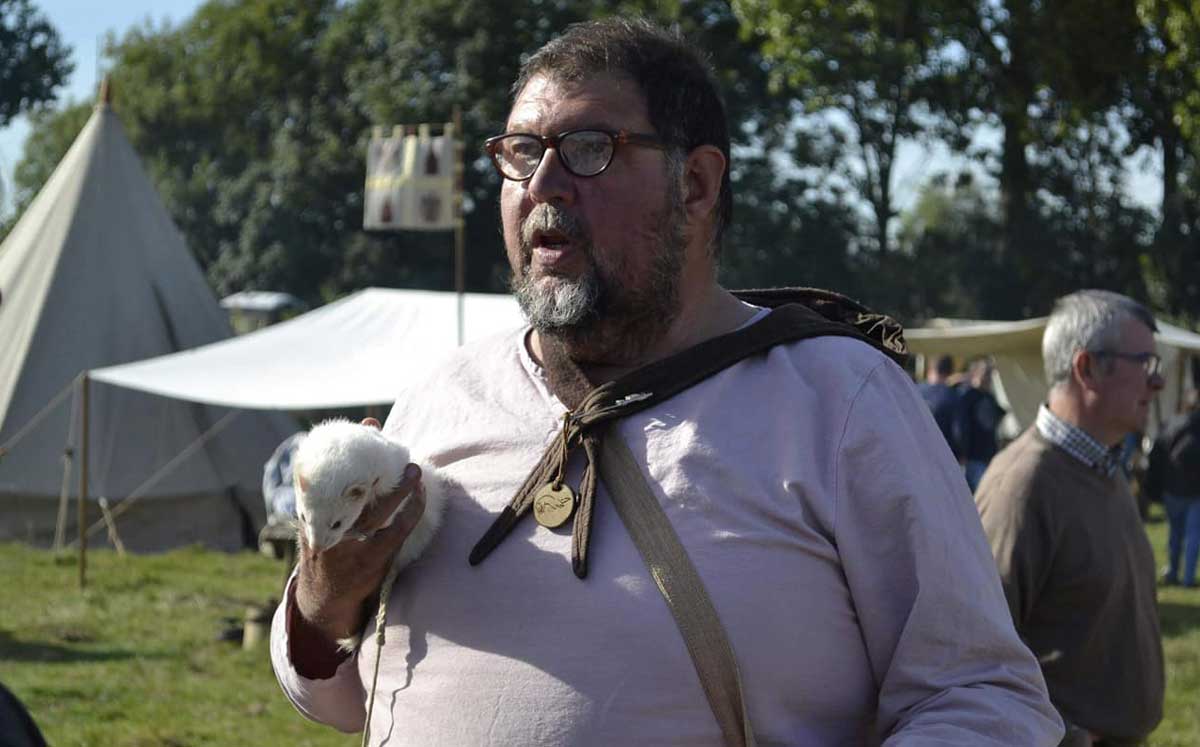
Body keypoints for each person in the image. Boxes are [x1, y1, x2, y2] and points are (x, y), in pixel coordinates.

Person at [270, 18, 1062, 745]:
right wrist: (320, 601)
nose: (543, 183)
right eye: (521, 151)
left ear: (696, 184)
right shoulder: (441, 394)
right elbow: (348, 698)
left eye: (588, 148)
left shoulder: (839, 398)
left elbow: (981, 697)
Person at [974, 289, 1165, 746]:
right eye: (1146, 364)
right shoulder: (1021, 488)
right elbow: (975, 656)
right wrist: (1067, 736)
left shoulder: (1103, 465)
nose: (1158, 382)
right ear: (1087, 368)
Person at [1145, 386, 1200, 587]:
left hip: (1173, 488)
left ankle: (1173, 572)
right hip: (1195, 491)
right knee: (1194, 535)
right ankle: (1188, 578)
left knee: (1175, 533)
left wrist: (1155, 487)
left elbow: (1157, 456)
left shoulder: (1171, 424)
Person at [956, 357, 1006, 492]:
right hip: (974, 458)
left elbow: (999, 413)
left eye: (990, 373)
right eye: (986, 372)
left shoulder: (989, 397)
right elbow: (961, 426)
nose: (989, 377)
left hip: (989, 457)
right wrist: (962, 452)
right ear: (976, 373)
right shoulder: (967, 397)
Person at [918, 353, 964, 460]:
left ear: (930, 369)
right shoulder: (953, 396)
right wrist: (960, 454)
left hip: (914, 453)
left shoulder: (914, 390)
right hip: (943, 457)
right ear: (951, 372)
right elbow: (958, 431)